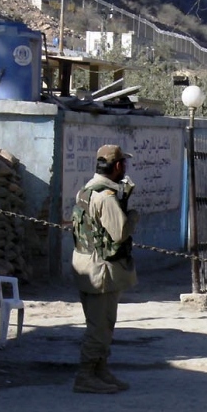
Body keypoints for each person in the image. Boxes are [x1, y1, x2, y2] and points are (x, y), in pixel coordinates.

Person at [70, 144, 138, 394]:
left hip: (86, 264)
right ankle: (85, 376)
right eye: (124, 164)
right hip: (101, 269)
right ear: (118, 166)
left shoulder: (88, 190)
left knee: (103, 323)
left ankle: (100, 370)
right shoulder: (105, 197)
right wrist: (133, 217)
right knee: (99, 326)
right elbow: (119, 232)